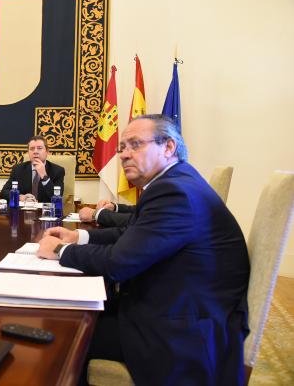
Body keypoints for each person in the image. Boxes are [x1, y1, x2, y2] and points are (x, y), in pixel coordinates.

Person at [37, 115, 250, 385]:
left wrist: (60, 251)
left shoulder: (174, 192)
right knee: (73, 311)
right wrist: (78, 236)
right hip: (178, 303)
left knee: (68, 331)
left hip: (181, 330)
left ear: (169, 147)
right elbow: (133, 234)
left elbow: (119, 263)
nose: (124, 155)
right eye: (121, 148)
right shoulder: (174, 181)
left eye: (135, 144)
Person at [0, 136, 65, 203]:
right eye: (32, 149)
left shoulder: (58, 171)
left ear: (47, 152)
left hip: (46, 211)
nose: (35, 152)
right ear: (28, 152)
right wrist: (20, 197)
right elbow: (4, 193)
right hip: (23, 211)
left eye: (39, 148)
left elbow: (57, 198)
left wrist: (44, 176)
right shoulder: (18, 169)